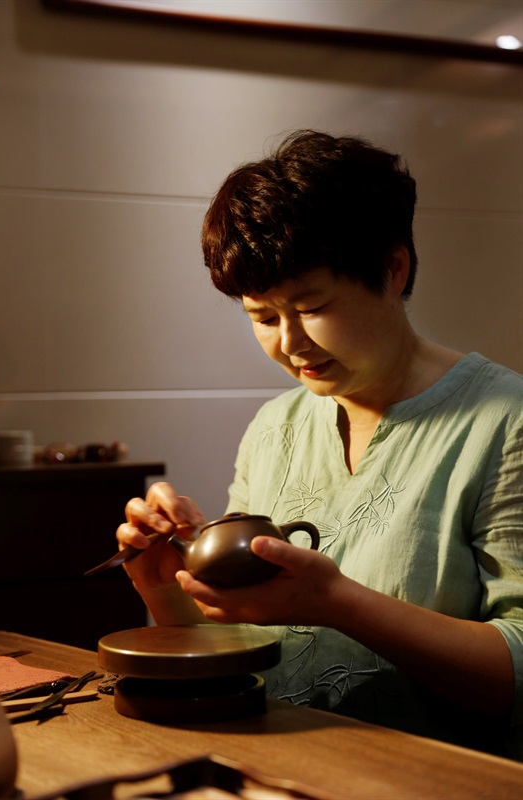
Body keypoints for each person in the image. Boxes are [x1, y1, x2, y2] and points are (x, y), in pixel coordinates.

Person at [117, 130, 523, 759]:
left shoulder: (504, 421)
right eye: (262, 317)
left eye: (311, 307)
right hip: (281, 769)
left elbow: (516, 672)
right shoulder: (276, 428)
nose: (289, 343)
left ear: (392, 270)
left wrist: (337, 603)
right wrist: (165, 586)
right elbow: (242, 648)